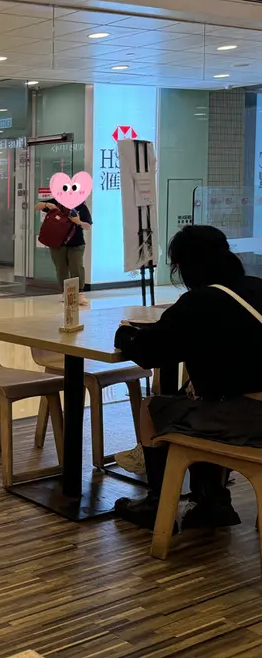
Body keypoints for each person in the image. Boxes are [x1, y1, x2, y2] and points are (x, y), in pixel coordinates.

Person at [113, 225, 262, 530]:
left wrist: (125, 334)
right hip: (250, 407)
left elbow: (150, 352)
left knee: (154, 408)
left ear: (184, 266)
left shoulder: (199, 303)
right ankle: (212, 501)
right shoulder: (257, 287)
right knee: (197, 400)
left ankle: (158, 506)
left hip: (247, 420)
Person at [34, 195, 92, 306]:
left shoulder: (80, 206)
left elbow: (88, 225)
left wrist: (78, 222)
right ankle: (66, 292)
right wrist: (47, 205)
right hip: (57, 242)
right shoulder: (57, 202)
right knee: (61, 268)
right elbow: (37, 206)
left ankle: (79, 293)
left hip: (76, 243)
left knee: (76, 267)